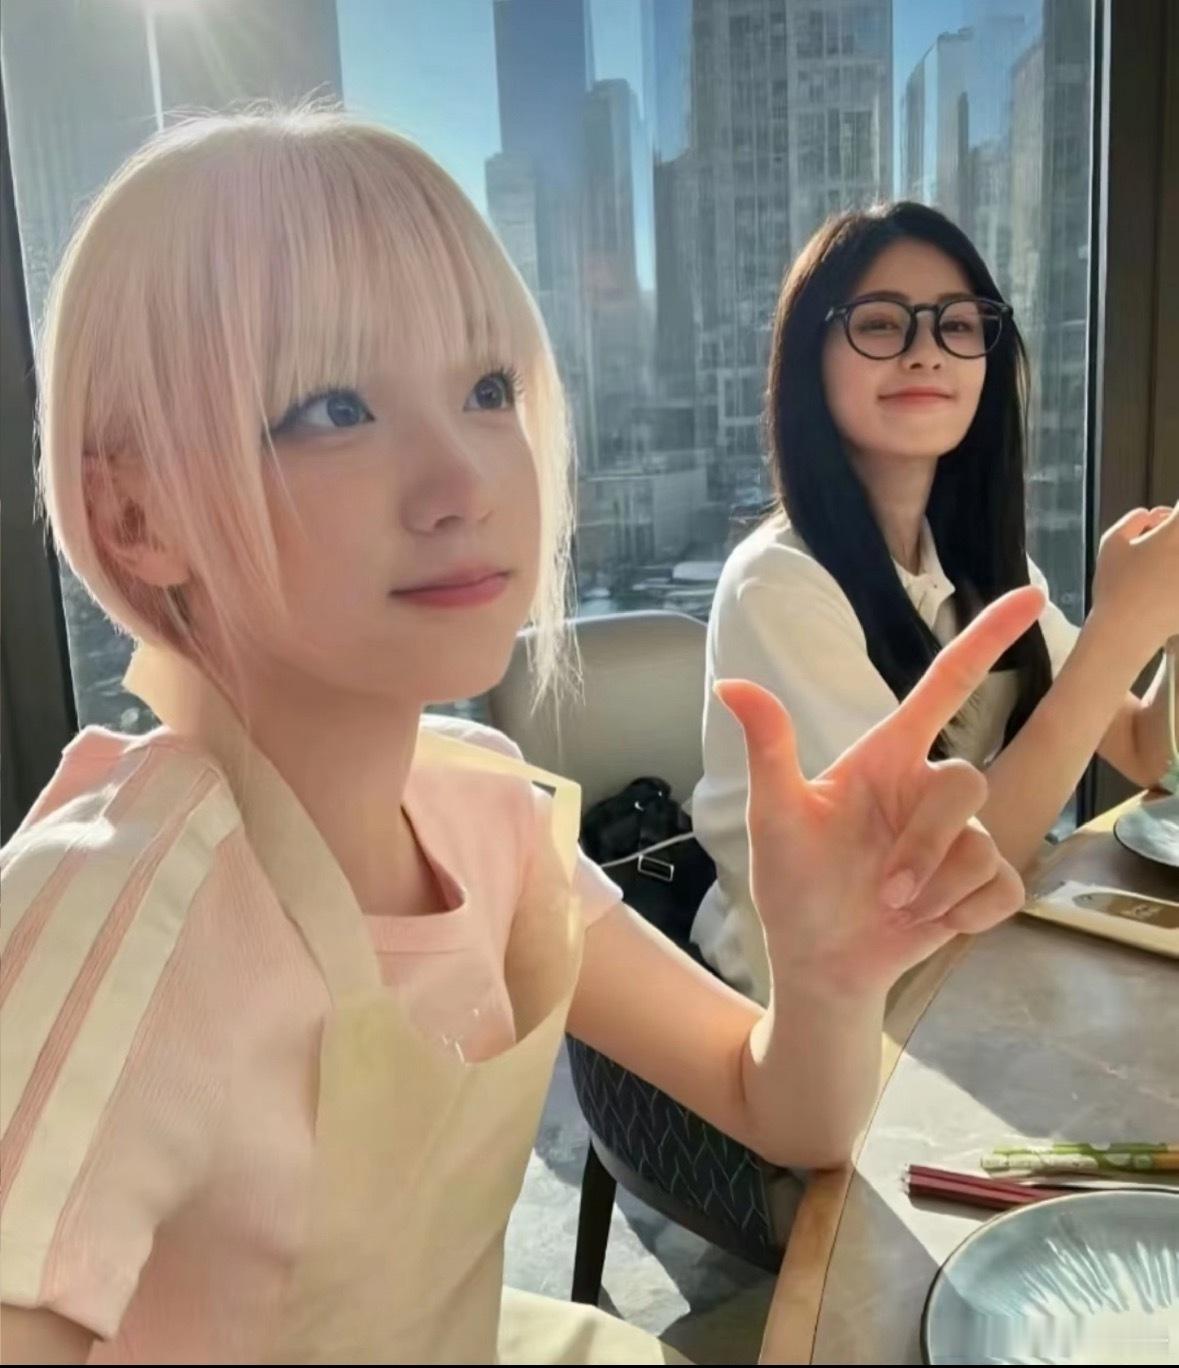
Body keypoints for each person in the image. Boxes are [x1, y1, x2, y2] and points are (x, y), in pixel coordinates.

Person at [0, 119, 1040, 1364]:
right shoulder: (110, 904)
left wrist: (825, 975)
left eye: (488, 391)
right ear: (134, 513)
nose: (465, 481)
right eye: (334, 407)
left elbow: (788, 1113)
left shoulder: (486, 816)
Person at [690, 201, 1179, 1004]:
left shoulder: (977, 564)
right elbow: (916, 882)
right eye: (881, 325)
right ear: (810, 358)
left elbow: (1143, 748)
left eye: (956, 324)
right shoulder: (776, 585)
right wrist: (1120, 625)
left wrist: (1165, 622)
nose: (925, 351)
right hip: (815, 1017)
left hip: (960, 968)